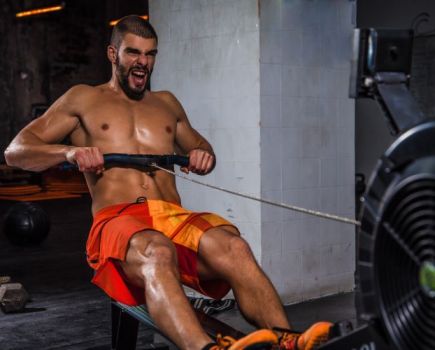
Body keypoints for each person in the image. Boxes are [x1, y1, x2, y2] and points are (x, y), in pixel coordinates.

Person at [4, 15, 331, 350]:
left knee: (236, 248)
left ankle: (288, 341)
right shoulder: (83, 99)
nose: (143, 63)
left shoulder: (167, 104)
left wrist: (204, 156)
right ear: (113, 54)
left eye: (150, 54)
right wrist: (70, 153)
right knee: (157, 250)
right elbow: (16, 152)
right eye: (133, 53)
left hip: (172, 219)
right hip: (119, 220)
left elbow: (202, 148)